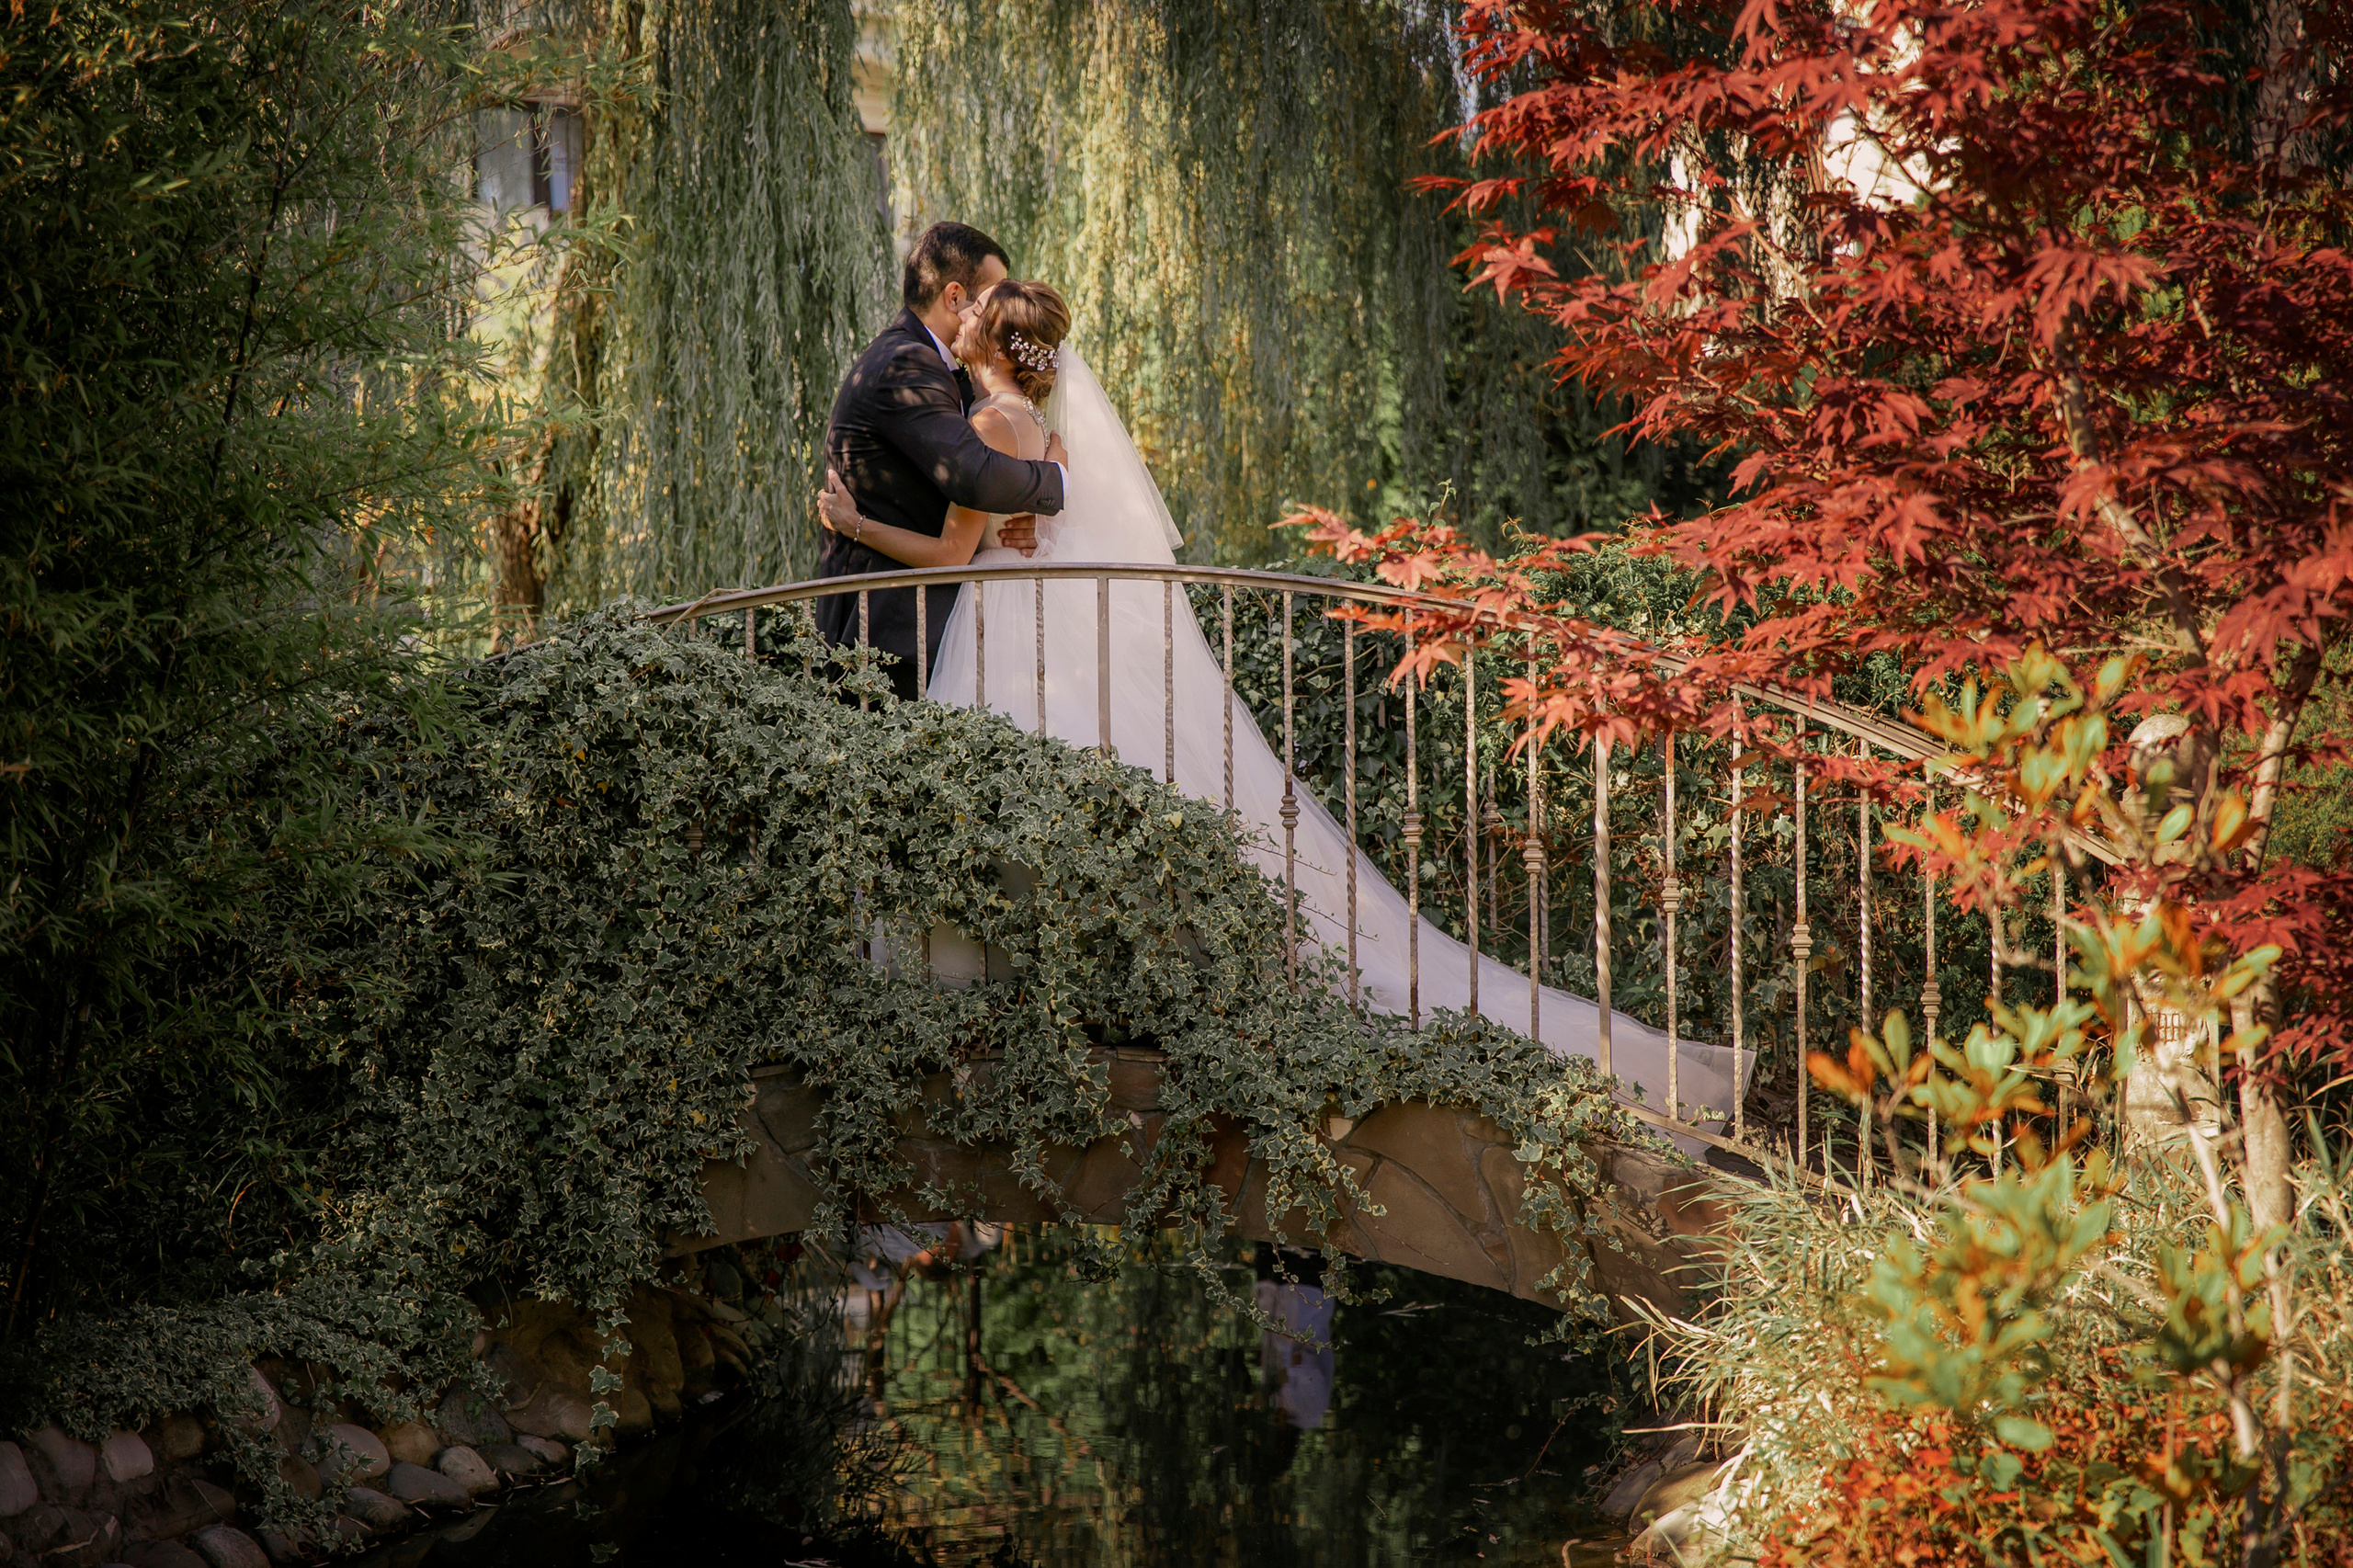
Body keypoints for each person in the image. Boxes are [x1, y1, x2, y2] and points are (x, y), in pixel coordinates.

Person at [815, 304, 1749, 1142]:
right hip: (1053, 623)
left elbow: (952, 553)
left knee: (1005, 811)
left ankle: (1010, 1006)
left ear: (990, 344)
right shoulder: (1050, 437)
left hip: (1013, 630)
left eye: (973, 313)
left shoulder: (987, 425)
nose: (958, 320)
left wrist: (853, 525)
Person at [814, 222, 1069, 700]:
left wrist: (1043, 511)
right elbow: (973, 473)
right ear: (954, 297)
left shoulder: (980, 396)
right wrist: (1054, 483)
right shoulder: (906, 363)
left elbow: (977, 482)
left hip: (934, 624)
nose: (988, 312)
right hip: (888, 629)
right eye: (986, 300)